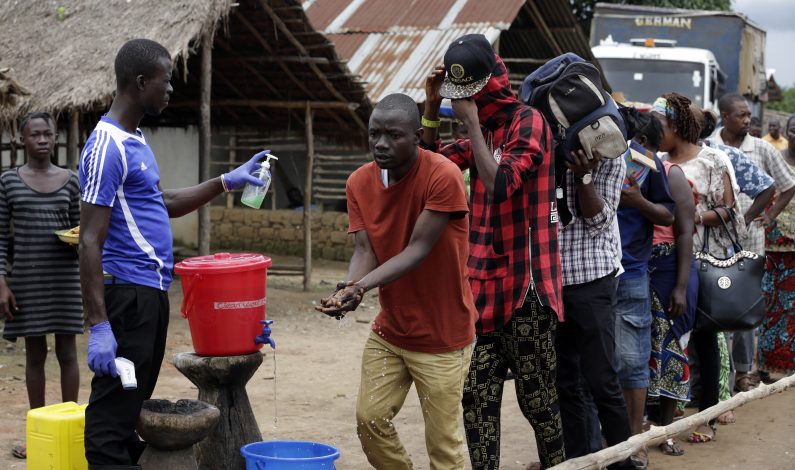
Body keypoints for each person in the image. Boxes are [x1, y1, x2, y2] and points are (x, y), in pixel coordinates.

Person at [79, 39, 269, 468]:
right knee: (110, 420)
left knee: (131, 406)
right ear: (140, 81)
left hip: (149, 295)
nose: (170, 90)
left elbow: (160, 202)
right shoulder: (106, 146)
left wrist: (227, 181)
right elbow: (90, 240)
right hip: (126, 296)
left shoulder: (135, 140)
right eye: (165, 81)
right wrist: (99, 325)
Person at [420, 34, 565, 469]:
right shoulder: (484, 128)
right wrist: (430, 109)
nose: (467, 104)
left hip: (528, 288)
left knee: (537, 401)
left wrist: (471, 126)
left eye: (471, 96)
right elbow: (433, 169)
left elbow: (501, 185)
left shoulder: (528, 122)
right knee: (476, 398)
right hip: (481, 286)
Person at [316, 93, 476, 470]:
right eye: (374, 134)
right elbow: (365, 251)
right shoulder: (359, 182)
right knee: (369, 420)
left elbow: (417, 249)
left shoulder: (443, 175)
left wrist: (361, 287)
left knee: (443, 448)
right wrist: (346, 290)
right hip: (391, 331)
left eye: (393, 135)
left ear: (417, 136)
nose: (381, 144)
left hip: (442, 337)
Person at [654, 92, 738, 444]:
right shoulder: (656, 159)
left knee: (704, 338)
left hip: (704, 261)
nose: (655, 132)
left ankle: (707, 416)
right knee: (666, 339)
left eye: (660, 125)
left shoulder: (712, 159)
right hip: (664, 261)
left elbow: (729, 210)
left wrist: (690, 218)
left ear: (676, 125)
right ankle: (660, 416)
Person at [0, 112, 83, 460]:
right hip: (27, 280)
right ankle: (37, 433)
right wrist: (1, 282)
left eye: (48, 134)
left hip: (65, 277)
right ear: (22, 141)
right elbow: (2, 235)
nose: (43, 140)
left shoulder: (71, 180)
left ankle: (69, 428)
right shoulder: (8, 182)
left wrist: (76, 240)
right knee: (35, 355)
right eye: (35, 135)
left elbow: (83, 231)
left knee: (68, 353)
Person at [712, 93, 795, 394]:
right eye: (741, 115)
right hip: (715, 243)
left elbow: (787, 185)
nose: (748, 120)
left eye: (749, 115)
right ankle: (717, 375)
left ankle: (743, 373)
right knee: (716, 304)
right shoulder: (710, 146)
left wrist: (769, 214)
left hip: (752, 242)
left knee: (746, 307)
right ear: (724, 115)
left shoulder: (760, 148)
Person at [613, 108, 674, 468]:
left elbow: (669, 214)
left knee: (633, 361)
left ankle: (635, 441)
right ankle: (603, 440)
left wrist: (638, 201)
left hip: (632, 272)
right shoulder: (577, 155)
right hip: (586, 276)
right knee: (593, 362)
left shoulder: (646, 162)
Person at [642, 111, 698, 457]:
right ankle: (643, 428)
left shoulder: (670, 174)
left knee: (672, 351)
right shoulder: (639, 172)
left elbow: (685, 232)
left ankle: (667, 430)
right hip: (642, 272)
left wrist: (680, 285)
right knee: (645, 355)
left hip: (669, 273)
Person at [759, 114, 795, 375]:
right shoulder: (775, 158)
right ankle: (768, 364)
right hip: (773, 245)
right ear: (787, 131)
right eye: (793, 129)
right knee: (771, 305)